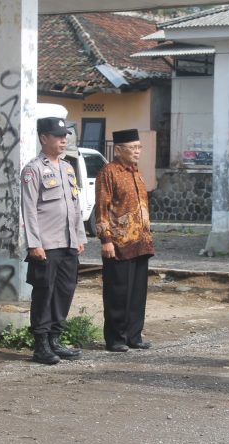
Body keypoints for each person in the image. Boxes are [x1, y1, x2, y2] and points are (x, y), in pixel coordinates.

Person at [21, 117, 87, 364]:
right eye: (58, 136)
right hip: (46, 245)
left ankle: (55, 339)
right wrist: (34, 243)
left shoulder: (68, 168)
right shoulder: (34, 169)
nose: (63, 140)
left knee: (64, 292)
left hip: (68, 243)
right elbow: (28, 209)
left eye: (65, 136)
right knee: (44, 293)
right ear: (43, 138)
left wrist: (79, 236)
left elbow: (75, 206)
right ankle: (41, 345)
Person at [95, 129, 155, 352]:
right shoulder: (109, 172)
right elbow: (102, 208)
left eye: (139, 147)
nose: (137, 151)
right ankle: (116, 338)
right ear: (119, 149)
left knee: (138, 293)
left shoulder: (136, 172)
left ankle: (134, 336)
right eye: (132, 147)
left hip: (141, 242)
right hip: (118, 244)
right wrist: (106, 239)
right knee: (117, 292)